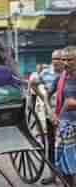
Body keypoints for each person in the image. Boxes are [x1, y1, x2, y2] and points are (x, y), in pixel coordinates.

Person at [29, 49, 64, 185]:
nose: (56, 61)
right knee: (51, 144)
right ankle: (53, 175)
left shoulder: (69, 74)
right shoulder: (46, 72)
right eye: (54, 59)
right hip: (51, 113)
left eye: (59, 59)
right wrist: (43, 98)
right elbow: (33, 84)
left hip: (67, 113)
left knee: (68, 144)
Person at [53, 46, 76, 186]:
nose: (66, 63)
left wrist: (69, 104)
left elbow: (70, 102)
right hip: (65, 126)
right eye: (64, 60)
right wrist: (54, 114)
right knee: (65, 165)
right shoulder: (62, 77)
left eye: (70, 60)